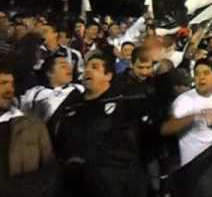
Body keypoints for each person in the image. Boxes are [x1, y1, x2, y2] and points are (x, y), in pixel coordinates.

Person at [54, 52, 151, 197]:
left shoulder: (124, 103)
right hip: (79, 186)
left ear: (108, 76)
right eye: (86, 67)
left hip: (117, 184)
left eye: (95, 67)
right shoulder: (71, 106)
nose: (87, 70)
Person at [0, 58, 56, 197]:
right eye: (3, 83)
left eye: (12, 84)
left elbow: (50, 172)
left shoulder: (34, 126)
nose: (10, 90)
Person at [161, 58, 212, 167]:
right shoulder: (184, 100)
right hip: (193, 167)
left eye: (206, 73)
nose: (201, 77)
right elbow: (166, 128)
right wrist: (196, 117)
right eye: (197, 74)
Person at [20, 55, 84, 135]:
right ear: (50, 73)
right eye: (63, 66)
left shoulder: (80, 89)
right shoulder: (34, 93)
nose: (69, 68)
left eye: (69, 65)